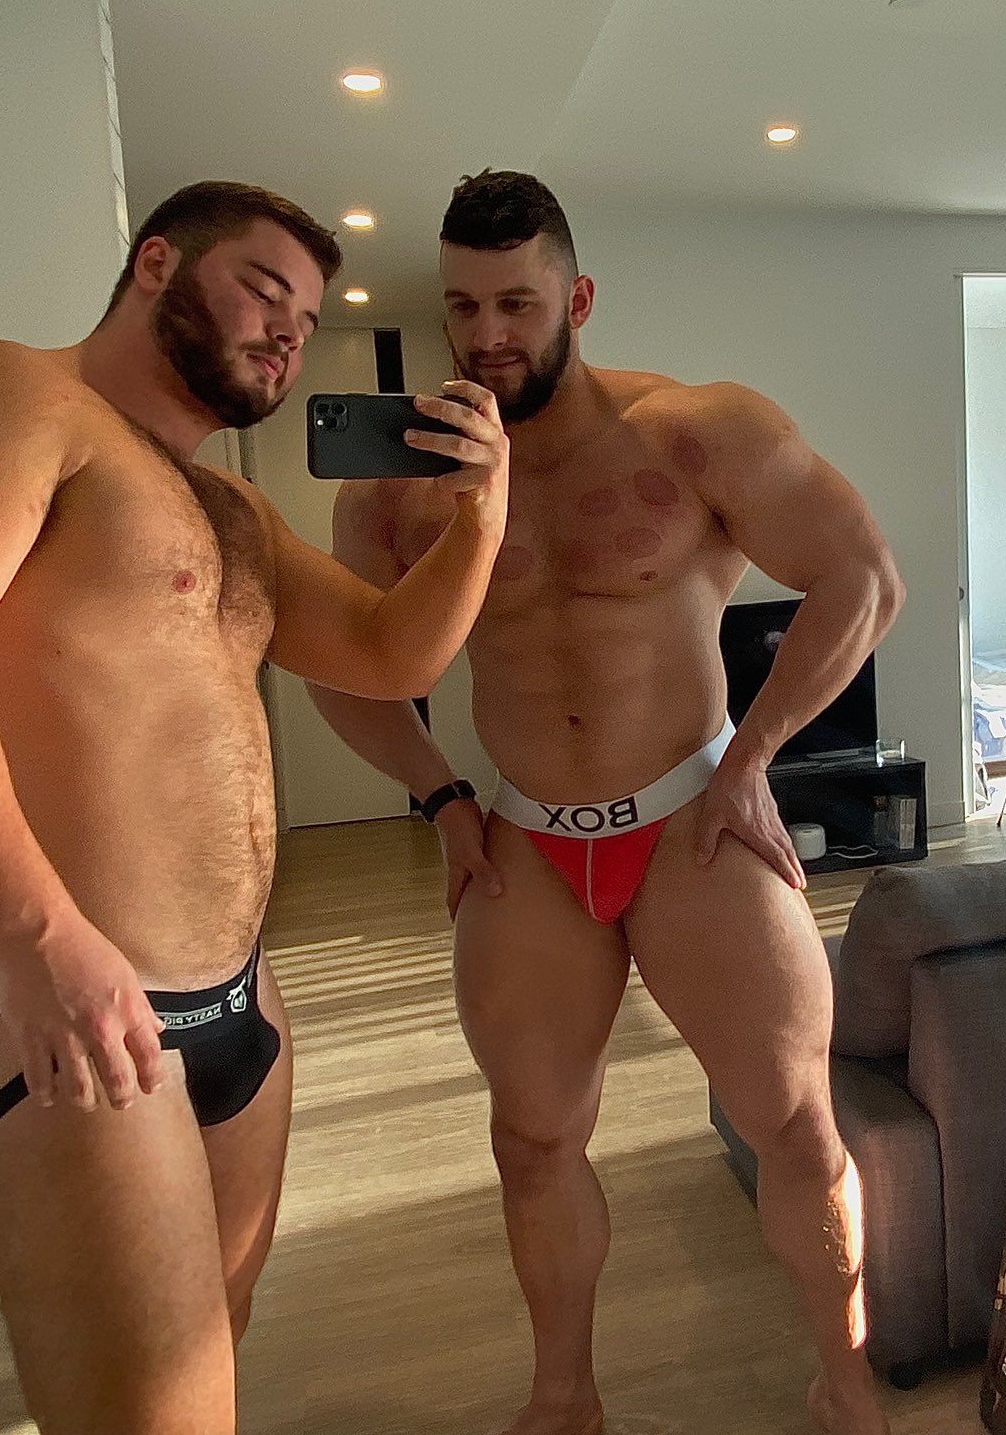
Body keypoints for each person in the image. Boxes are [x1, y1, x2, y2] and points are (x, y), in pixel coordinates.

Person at [0, 181, 509, 1433]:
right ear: (158, 263)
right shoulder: (15, 398)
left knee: (215, 1348)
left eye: (305, 321)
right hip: (81, 1009)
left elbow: (389, 654)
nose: (286, 336)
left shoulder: (230, 507)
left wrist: (481, 517)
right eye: (263, 293)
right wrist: (33, 936)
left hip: (238, 1011)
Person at [311, 171, 904, 1435]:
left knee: (794, 1125)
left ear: (575, 300)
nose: (486, 336)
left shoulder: (694, 432)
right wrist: (440, 799)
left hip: (695, 822)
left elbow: (862, 580)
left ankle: (844, 1382)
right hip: (526, 840)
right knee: (531, 1141)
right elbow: (340, 665)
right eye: (462, 306)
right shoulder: (401, 489)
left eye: (516, 304)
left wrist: (752, 759)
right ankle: (564, 1398)